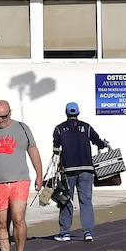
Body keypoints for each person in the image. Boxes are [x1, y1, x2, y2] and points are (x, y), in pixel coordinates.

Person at [0, 100, 42, 251]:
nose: (0, 120)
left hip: (20, 180)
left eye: (3, 116)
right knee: (2, 223)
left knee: (18, 218)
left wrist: (39, 175)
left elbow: (33, 151)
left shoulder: (22, 128)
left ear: (10, 113)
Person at [52, 102, 108, 243]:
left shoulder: (59, 129)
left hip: (69, 170)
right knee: (86, 201)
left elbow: (56, 151)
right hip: (87, 170)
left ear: (66, 112)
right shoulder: (87, 127)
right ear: (78, 113)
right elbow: (98, 142)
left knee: (66, 200)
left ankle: (65, 233)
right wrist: (104, 144)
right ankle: (88, 232)